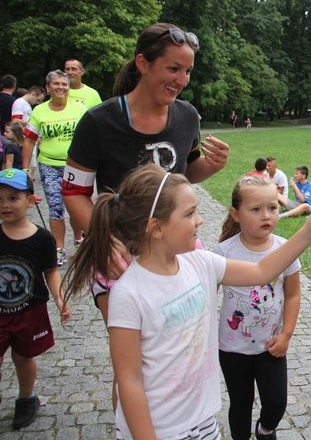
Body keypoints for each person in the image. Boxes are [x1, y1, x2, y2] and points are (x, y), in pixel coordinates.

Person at [63, 164, 311, 439]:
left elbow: (262, 271)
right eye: (190, 213)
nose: (200, 220)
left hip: (203, 420)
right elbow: (129, 381)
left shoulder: (201, 263)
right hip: (159, 429)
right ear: (156, 228)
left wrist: (307, 232)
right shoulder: (128, 293)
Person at [62, 22, 229, 325]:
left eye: (188, 71)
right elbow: (74, 193)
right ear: (143, 63)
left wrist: (212, 165)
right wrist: (103, 238)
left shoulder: (187, 116)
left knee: (180, 336)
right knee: (135, 351)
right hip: (121, 252)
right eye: (174, 68)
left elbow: (184, 173)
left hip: (174, 245)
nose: (182, 80)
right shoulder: (99, 122)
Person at [215, 176, 302, 440]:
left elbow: (293, 293)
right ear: (236, 214)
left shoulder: (284, 249)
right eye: (255, 209)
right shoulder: (222, 253)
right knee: (240, 404)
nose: (266, 216)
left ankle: (265, 431)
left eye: (273, 208)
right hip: (232, 347)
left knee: (276, 402)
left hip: (270, 345)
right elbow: (205, 298)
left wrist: (286, 334)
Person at [0, 168, 71, 430]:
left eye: (13, 198)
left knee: (23, 357)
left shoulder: (42, 238)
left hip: (29, 311)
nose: (5, 205)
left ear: (31, 201)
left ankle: (26, 397)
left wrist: (61, 299)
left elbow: (51, 272)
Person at [22, 70, 87, 266]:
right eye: (56, 84)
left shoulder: (80, 109)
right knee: (55, 208)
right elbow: (29, 141)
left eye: (64, 84)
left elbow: (90, 137)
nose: (60, 87)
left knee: (77, 207)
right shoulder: (39, 111)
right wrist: (26, 169)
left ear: (69, 88)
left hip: (76, 166)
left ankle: (79, 238)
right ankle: (59, 248)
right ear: (48, 87)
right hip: (49, 165)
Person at [11, 86, 44, 177]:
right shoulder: (19, 103)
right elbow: (15, 120)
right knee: (30, 165)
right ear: (33, 94)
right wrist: (33, 123)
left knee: (32, 165)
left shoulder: (26, 104)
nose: (37, 103)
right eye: (38, 100)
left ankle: (29, 183)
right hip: (25, 137)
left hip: (29, 136)